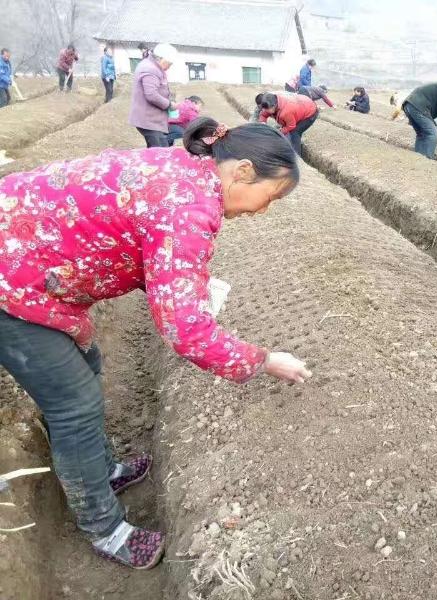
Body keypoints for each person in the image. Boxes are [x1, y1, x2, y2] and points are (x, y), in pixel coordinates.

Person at [0, 117, 311, 569]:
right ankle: (103, 527)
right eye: (272, 196)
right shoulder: (187, 205)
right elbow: (183, 330)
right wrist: (261, 361)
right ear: (243, 171)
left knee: (86, 363)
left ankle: (101, 470)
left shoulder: (187, 168)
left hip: (32, 258)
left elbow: (144, 245)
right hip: (10, 280)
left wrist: (189, 288)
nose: (264, 210)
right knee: (74, 404)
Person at [129, 43, 178, 148]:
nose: (169, 67)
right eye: (169, 64)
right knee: (160, 153)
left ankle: (150, 163)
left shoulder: (151, 65)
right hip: (149, 121)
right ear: (162, 59)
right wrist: (169, 105)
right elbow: (151, 95)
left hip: (151, 120)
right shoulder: (150, 69)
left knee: (156, 151)